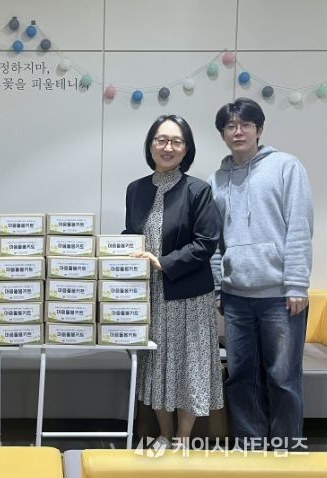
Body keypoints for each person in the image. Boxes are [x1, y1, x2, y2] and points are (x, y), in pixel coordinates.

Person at [209, 98, 313, 449]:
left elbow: (299, 227)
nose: (238, 132)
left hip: (281, 297)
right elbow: (214, 240)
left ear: (259, 129)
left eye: (246, 125)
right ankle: (250, 448)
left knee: (282, 378)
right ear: (223, 134)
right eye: (230, 126)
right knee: (241, 377)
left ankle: (287, 450)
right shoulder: (217, 180)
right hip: (236, 297)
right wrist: (218, 287)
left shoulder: (286, 167)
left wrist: (296, 284)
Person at [124, 114, 223, 449]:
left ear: (186, 149)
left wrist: (163, 263)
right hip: (149, 293)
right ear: (151, 145)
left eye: (176, 141)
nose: (168, 147)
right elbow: (132, 235)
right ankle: (164, 434)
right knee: (156, 366)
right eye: (161, 140)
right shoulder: (136, 189)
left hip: (188, 295)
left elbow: (206, 243)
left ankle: (183, 438)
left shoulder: (198, 190)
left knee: (187, 366)